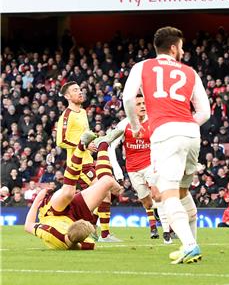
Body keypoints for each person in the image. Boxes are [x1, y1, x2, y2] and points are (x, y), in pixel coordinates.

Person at [122, 26, 210, 264]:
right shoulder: (190, 72)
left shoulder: (142, 67)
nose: (182, 50)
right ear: (173, 48)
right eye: (181, 46)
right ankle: (190, 243)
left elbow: (128, 98)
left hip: (165, 133)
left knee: (166, 194)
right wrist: (187, 124)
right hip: (192, 134)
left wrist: (135, 124)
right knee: (182, 192)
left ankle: (190, 245)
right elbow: (205, 112)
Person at [24, 131, 122, 249]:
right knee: (107, 181)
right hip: (75, 214)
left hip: (53, 213)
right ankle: (103, 145)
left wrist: (38, 198)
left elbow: (28, 225)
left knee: (68, 194)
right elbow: (87, 244)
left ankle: (81, 146)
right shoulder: (88, 243)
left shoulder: (51, 233)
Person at [56, 81, 120, 242]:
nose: (79, 92)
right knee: (104, 189)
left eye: (80, 89)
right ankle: (103, 234)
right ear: (67, 96)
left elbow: (85, 136)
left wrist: (99, 140)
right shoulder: (66, 115)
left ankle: (93, 229)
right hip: (78, 164)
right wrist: (84, 145)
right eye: (75, 90)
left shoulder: (83, 112)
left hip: (89, 160)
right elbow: (61, 140)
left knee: (107, 191)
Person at [108, 93, 173, 243]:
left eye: (144, 103)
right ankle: (153, 226)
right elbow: (111, 147)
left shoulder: (153, 121)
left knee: (157, 195)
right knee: (147, 202)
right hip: (132, 169)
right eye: (138, 104)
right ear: (131, 107)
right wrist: (118, 172)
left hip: (151, 164)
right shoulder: (124, 124)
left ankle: (167, 233)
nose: (143, 106)